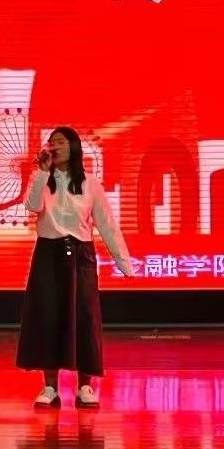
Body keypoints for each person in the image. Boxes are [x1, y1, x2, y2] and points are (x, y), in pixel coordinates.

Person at [17, 126, 135, 409]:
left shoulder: (90, 183)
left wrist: (123, 262)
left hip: (80, 254)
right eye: (51, 142)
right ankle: (50, 387)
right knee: (47, 317)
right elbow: (32, 207)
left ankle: (85, 386)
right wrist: (42, 173)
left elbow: (106, 223)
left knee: (84, 317)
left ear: (73, 147)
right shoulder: (41, 178)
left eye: (60, 142)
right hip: (48, 253)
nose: (54, 146)